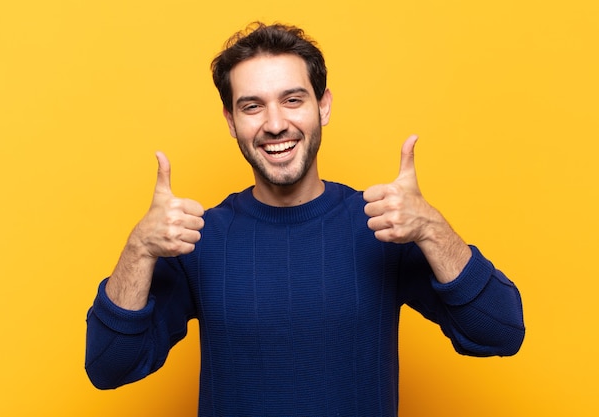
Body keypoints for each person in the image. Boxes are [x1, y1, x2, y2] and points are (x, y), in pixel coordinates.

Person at [85, 22, 525, 416]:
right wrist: (138, 249)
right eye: (252, 107)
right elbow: (108, 367)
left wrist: (432, 228)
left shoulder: (385, 225)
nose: (275, 123)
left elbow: (501, 332)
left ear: (323, 107)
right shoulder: (198, 238)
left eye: (292, 100)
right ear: (231, 121)